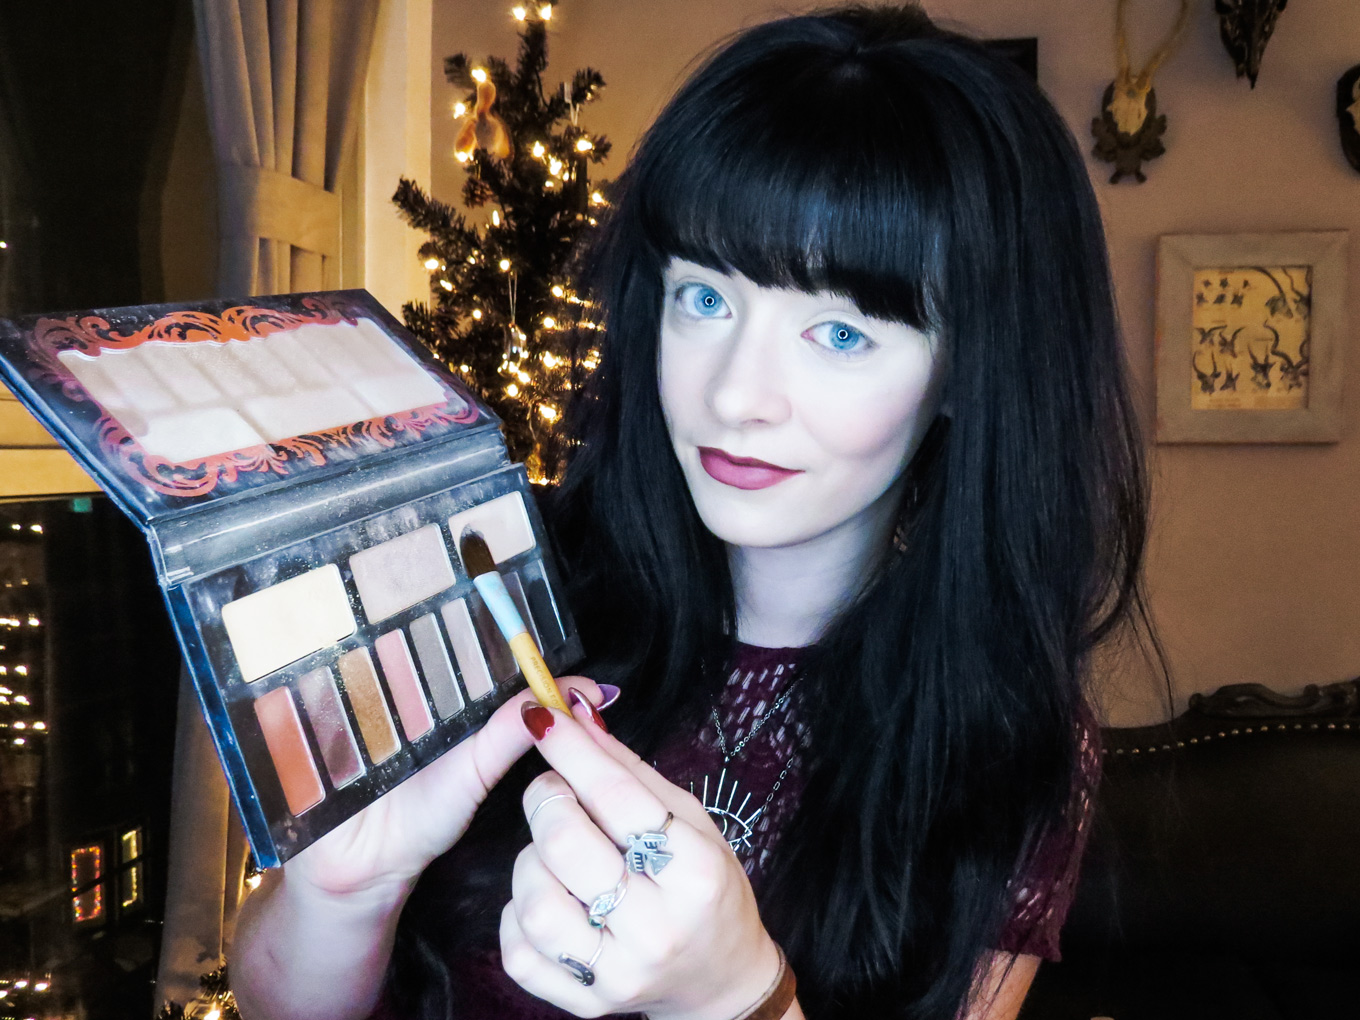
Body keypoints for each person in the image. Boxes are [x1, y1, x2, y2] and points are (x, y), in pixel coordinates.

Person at [232, 4, 1155, 1018]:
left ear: (965, 370)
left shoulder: (1007, 739)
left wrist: (739, 997)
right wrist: (344, 892)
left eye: (841, 334)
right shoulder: (501, 594)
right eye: (705, 299)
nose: (734, 395)